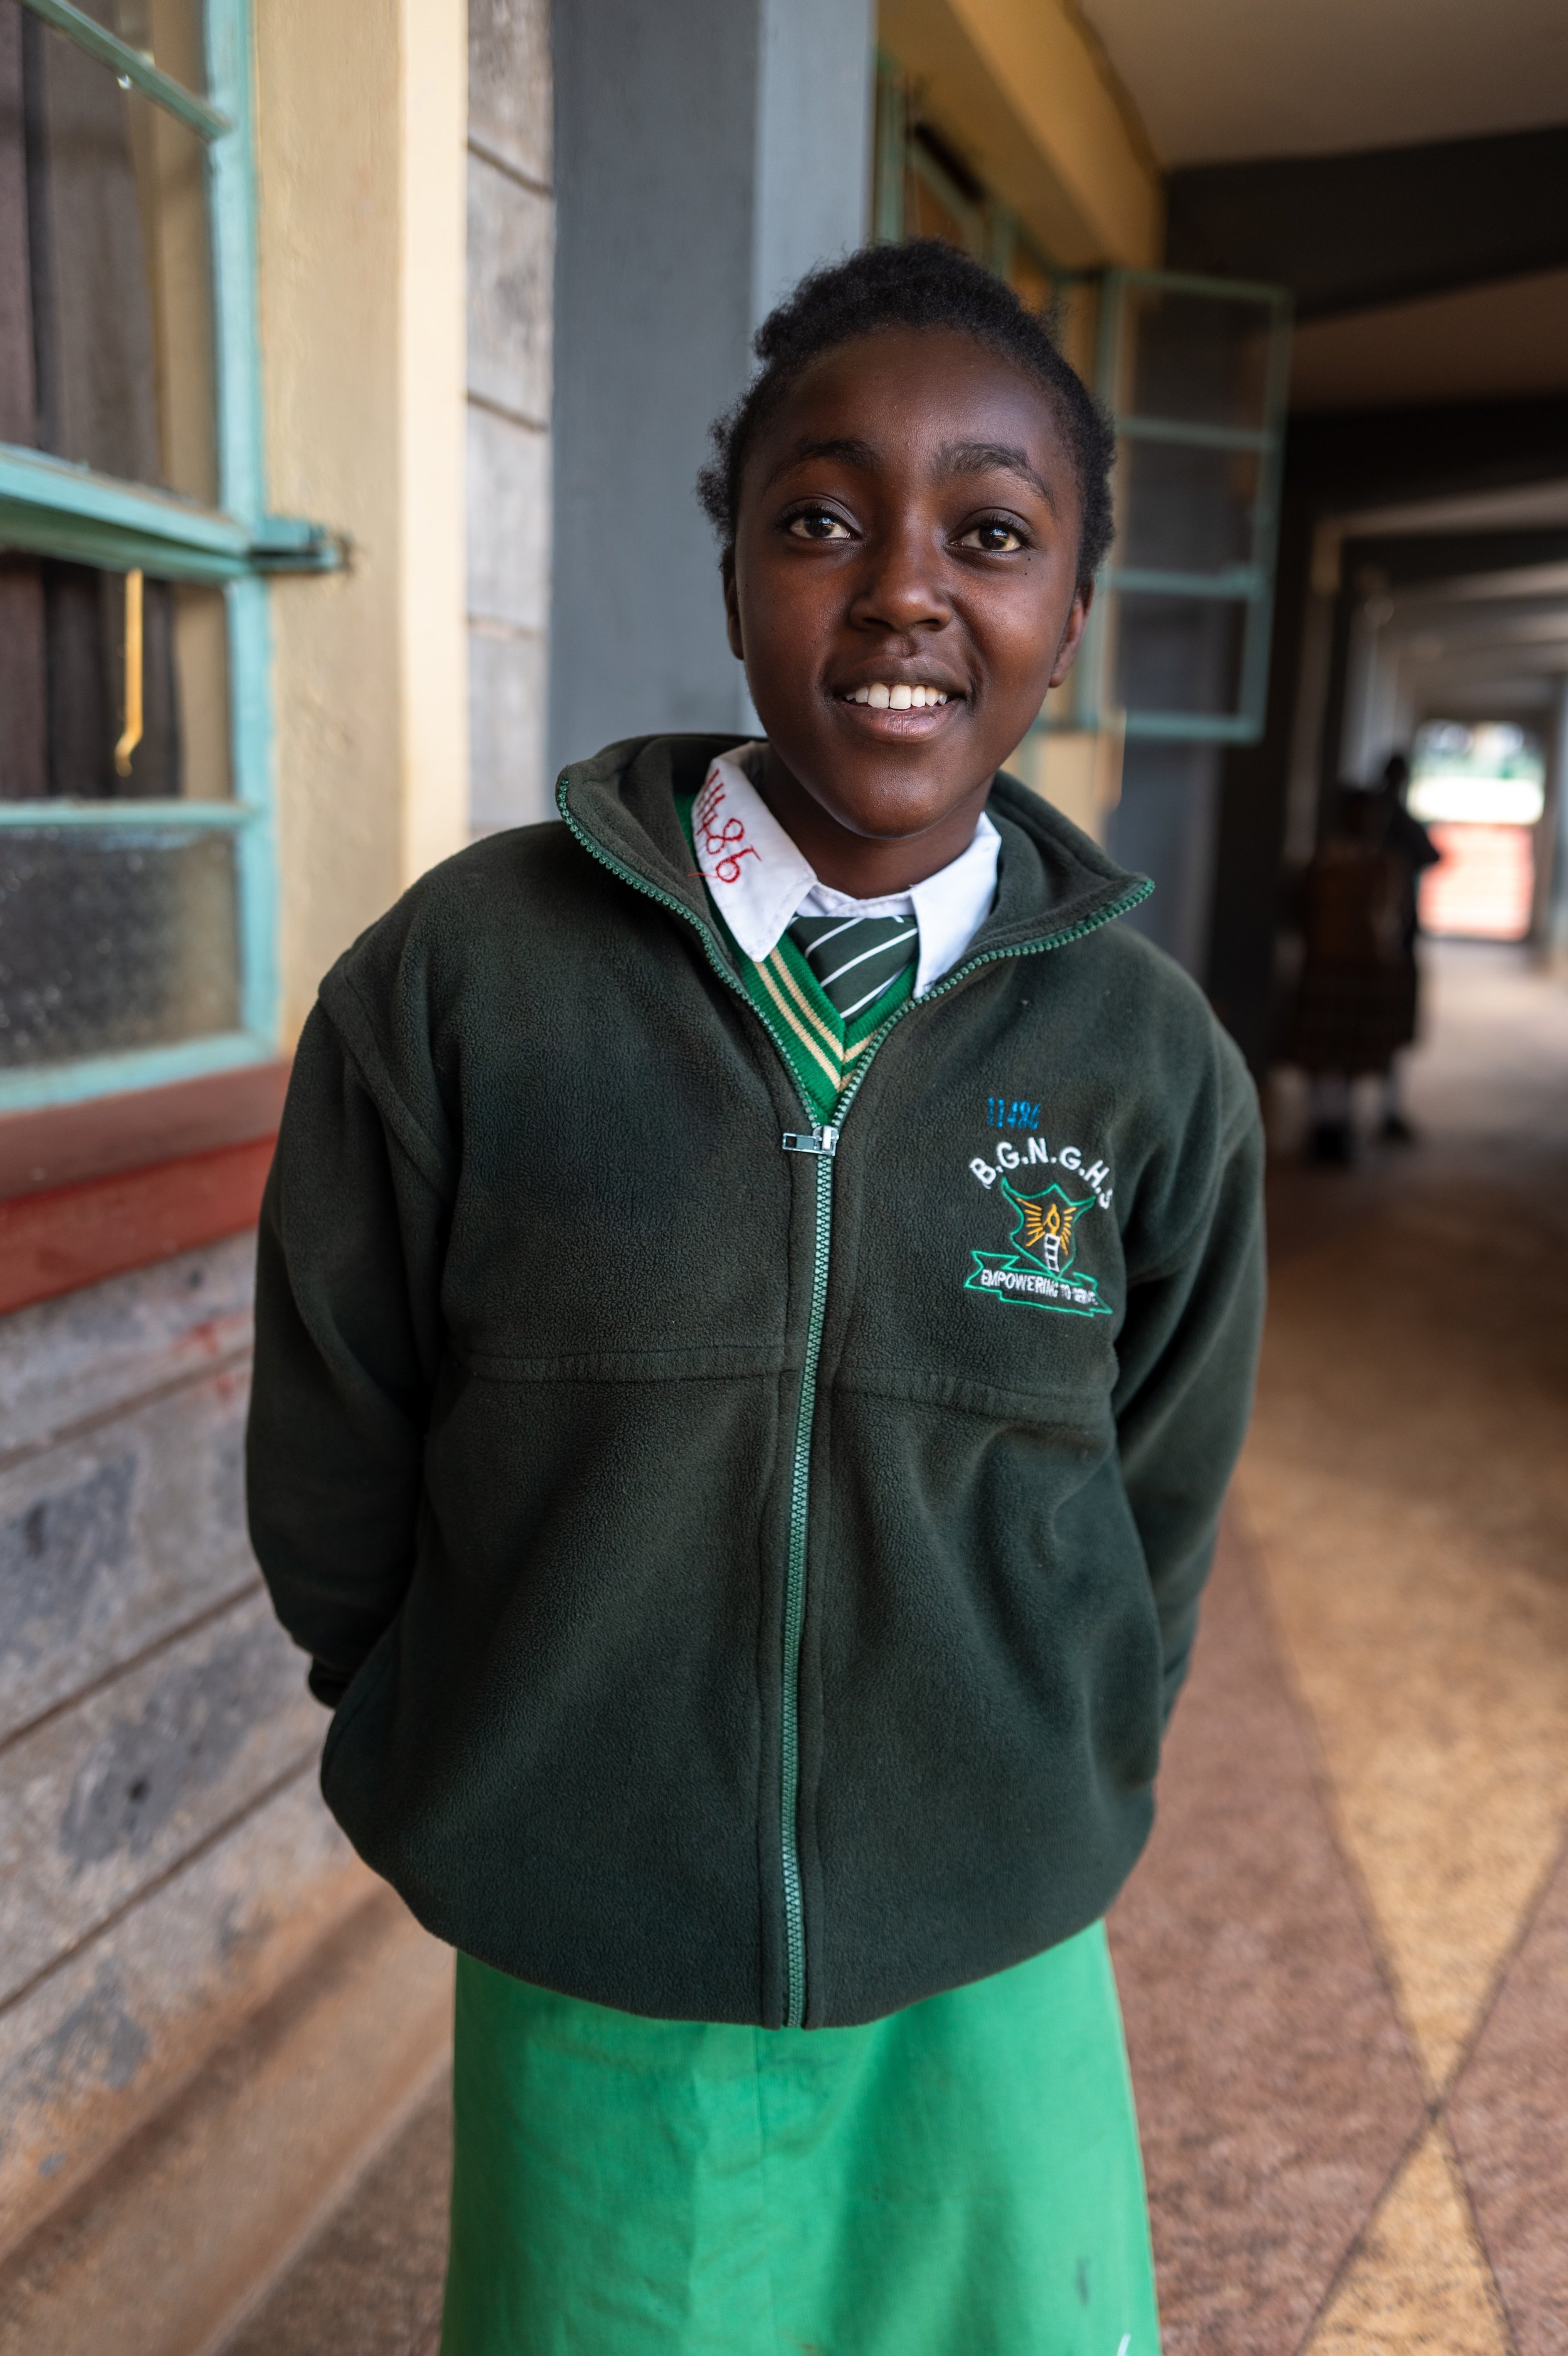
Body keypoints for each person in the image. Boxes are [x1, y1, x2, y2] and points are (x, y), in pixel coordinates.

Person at [246, 241, 1264, 2356]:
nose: (905, 590)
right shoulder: (464, 984)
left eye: (991, 534)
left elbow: (1156, 1499)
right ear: (730, 572)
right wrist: (470, 1721)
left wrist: (1063, 1747)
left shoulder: (1149, 1062)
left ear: (1069, 607)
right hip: (596, 1933)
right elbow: (339, 1431)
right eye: (821, 518)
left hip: (991, 1933)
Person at [1291, 753, 1440, 1162]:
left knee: (1358, 1051)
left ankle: (1344, 1124)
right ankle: (1325, 1124)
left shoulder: (1386, 860)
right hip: (1332, 963)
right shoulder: (1330, 860)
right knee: (1325, 1051)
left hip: (1366, 965)